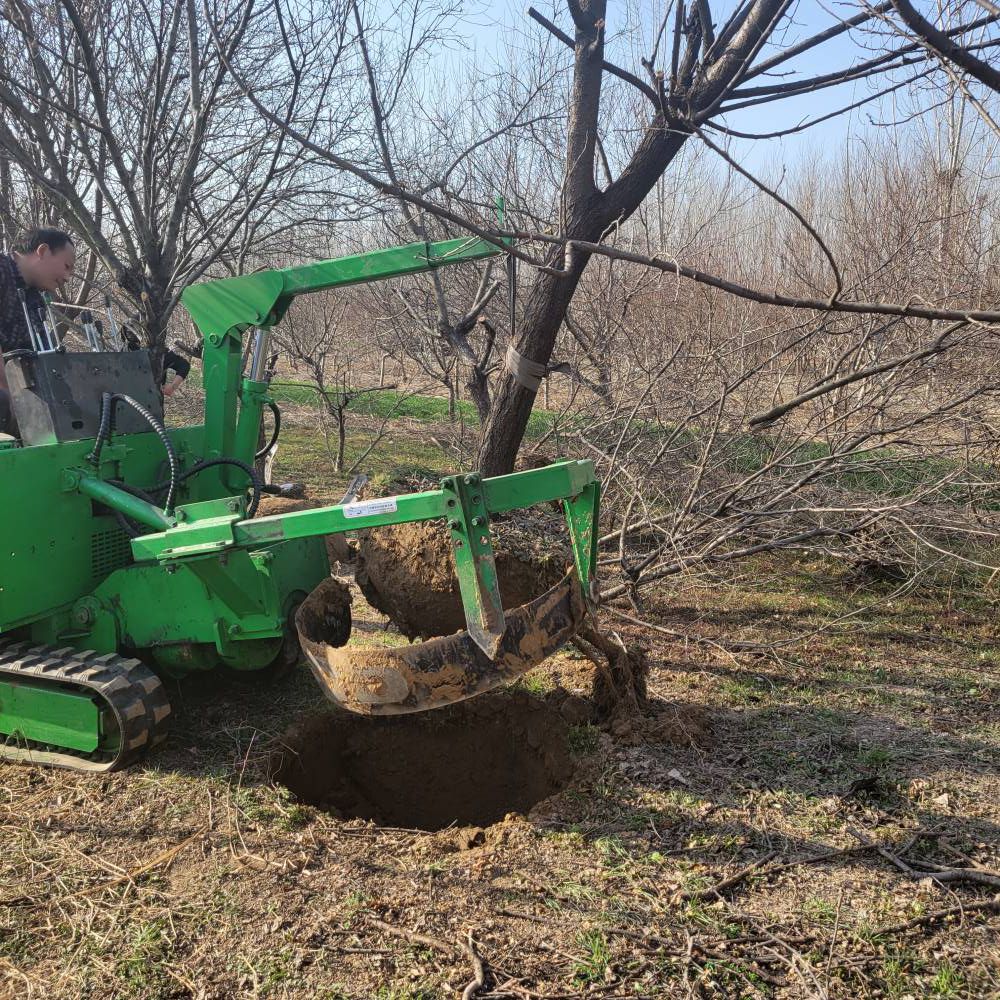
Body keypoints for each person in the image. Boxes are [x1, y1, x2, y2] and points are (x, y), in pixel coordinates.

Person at [0, 228, 76, 433]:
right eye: (66, 266)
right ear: (42, 251)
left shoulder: (35, 299)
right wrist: (14, 397)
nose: (67, 277)